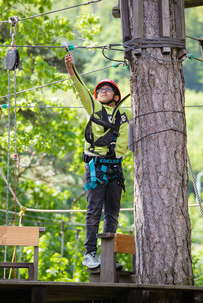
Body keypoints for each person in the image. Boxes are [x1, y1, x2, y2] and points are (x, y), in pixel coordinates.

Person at [64, 53, 132, 269]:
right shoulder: (93, 108)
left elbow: (125, 139)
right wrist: (71, 69)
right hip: (96, 167)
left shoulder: (123, 114)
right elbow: (81, 89)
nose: (103, 91)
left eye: (108, 89)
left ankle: (109, 255)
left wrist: (116, 153)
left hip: (115, 168)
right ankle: (90, 253)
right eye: (100, 89)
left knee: (112, 213)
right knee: (94, 210)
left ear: (116, 96)